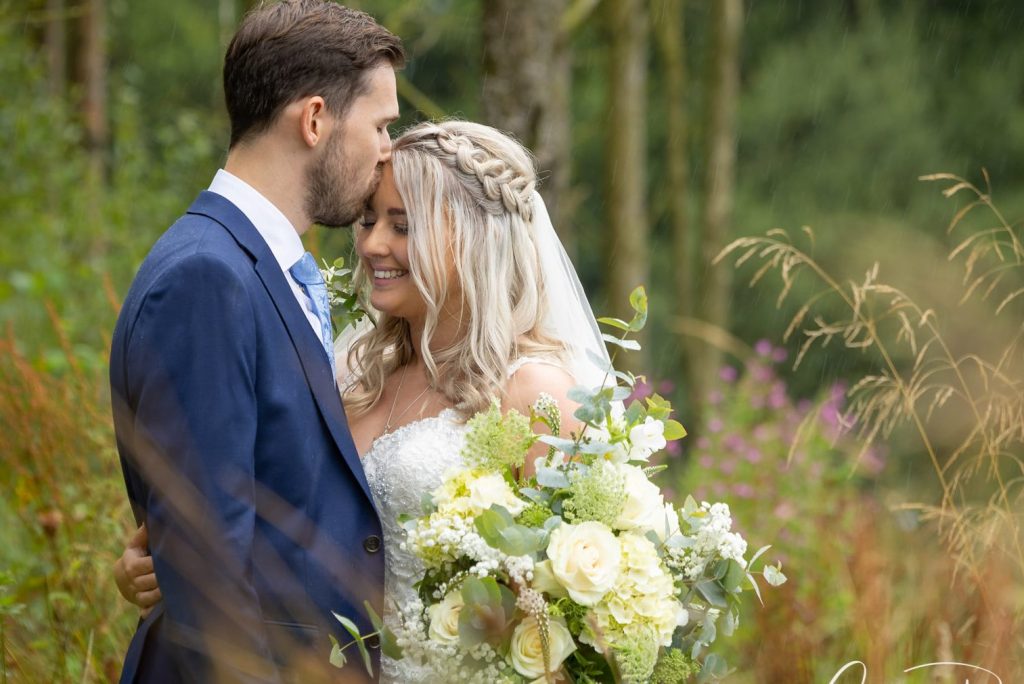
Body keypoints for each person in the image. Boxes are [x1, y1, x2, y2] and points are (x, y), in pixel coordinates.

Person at [116, 121, 611, 682]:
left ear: (475, 238)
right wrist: (162, 565)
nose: (373, 243)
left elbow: (578, 623)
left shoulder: (537, 396)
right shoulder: (352, 373)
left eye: (402, 226)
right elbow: (257, 513)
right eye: (369, 220)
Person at [108, 2, 404, 682]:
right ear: (315, 119)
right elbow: (209, 578)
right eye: (381, 125)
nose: (388, 149)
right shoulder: (207, 281)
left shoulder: (259, 268)